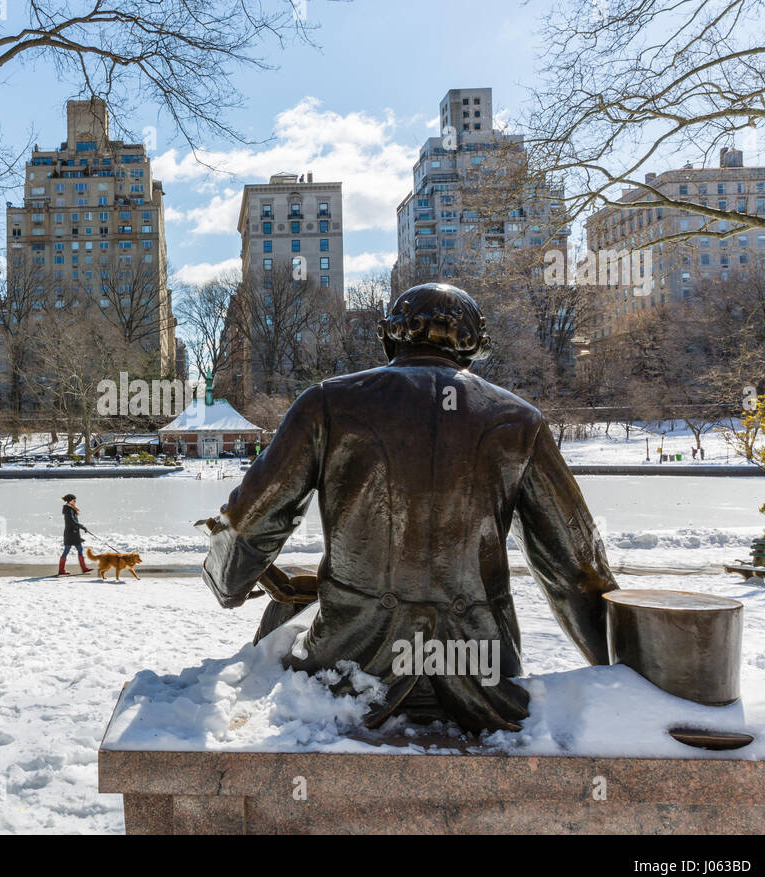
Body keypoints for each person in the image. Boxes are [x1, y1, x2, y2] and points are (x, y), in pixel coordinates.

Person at [201, 283, 618, 735]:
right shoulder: (519, 421)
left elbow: (249, 525)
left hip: (353, 667)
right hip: (482, 676)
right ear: (474, 346)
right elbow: (577, 568)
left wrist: (227, 584)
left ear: (390, 336)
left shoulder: (327, 402)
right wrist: (621, 671)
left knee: (278, 626)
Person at [58, 493, 93, 575]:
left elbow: (74, 521)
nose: (75, 501)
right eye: (74, 500)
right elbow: (72, 521)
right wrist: (82, 526)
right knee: (67, 550)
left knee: (79, 549)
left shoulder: (70, 508)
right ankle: (61, 570)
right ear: (70, 501)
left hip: (73, 532)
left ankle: (84, 568)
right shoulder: (68, 509)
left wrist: (80, 527)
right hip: (71, 533)